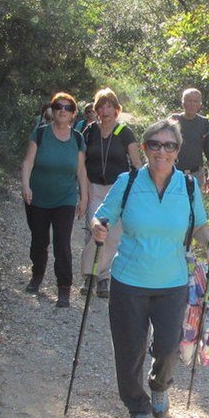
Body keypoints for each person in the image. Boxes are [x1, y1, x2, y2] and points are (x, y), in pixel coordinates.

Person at [91, 119, 209, 418]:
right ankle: (137, 406)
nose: (162, 151)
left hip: (172, 282)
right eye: (155, 144)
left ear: (178, 151)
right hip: (129, 281)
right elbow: (102, 215)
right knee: (130, 349)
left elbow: (200, 225)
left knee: (167, 348)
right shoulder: (129, 181)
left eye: (169, 145)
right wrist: (98, 226)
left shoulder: (189, 187)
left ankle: (159, 385)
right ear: (146, 147)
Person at [20, 92, 89, 308]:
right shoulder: (40, 134)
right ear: (52, 109)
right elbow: (28, 163)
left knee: (62, 243)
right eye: (59, 107)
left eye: (67, 108)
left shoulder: (77, 139)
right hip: (38, 195)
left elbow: (80, 170)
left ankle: (64, 287)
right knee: (39, 241)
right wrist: (25, 185)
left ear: (73, 114)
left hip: (65, 197)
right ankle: (37, 275)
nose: (62, 111)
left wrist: (84, 198)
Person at [80, 88, 142, 298]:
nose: (105, 111)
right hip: (94, 187)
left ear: (117, 110)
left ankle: (103, 278)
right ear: (96, 109)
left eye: (109, 106)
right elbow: (81, 163)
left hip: (118, 190)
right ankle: (90, 275)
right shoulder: (89, 132)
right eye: (101, 106)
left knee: (113, 235)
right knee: (93, 230)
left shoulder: (124, 132)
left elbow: (136, 164)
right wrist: (82, 193)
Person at [168, 88, 209, 194]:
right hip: (174, 172)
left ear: (200, 104)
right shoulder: (173, 121)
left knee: (194, 207)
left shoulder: (204, 123)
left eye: (195, 101)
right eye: (189, 101)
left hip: (196, 174)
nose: (192, 104)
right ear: (183, 103)